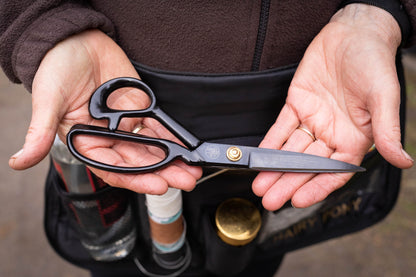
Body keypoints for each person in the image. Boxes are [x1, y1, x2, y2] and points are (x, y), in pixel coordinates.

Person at [1, 1, 415, 276]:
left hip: (309, 109)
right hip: (126, 93)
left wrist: (381, 10)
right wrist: (44, 23)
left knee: (250, 258)